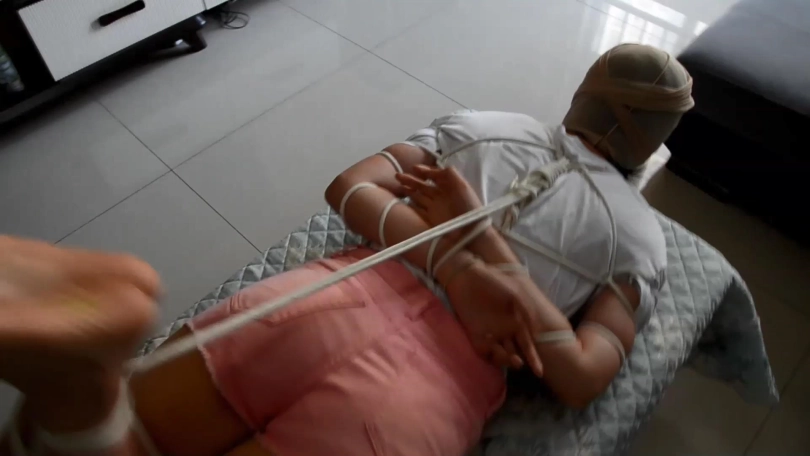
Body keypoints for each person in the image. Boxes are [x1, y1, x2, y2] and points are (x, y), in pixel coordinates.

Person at [0, 43, 693, 456]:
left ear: (583, 92)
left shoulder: (485, 126)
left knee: (132, 434)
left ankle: (78, 396)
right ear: (655, 141)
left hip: (327, 299)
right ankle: (75, 394)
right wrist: (480, 265)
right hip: (427, 392)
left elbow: (350, 187)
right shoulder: (641, 239)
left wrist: (465, 243)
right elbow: (579, 376)